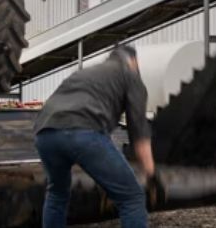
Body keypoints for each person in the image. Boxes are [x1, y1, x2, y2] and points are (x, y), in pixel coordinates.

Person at [33, 45, 154, 228]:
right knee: (132, 197)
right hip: (83, 132)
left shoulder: (84, 73)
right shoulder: (130, 75)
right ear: (133, 62)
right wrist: (150, 171)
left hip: (45, 133)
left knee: (57, 193)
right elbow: (138, 128)